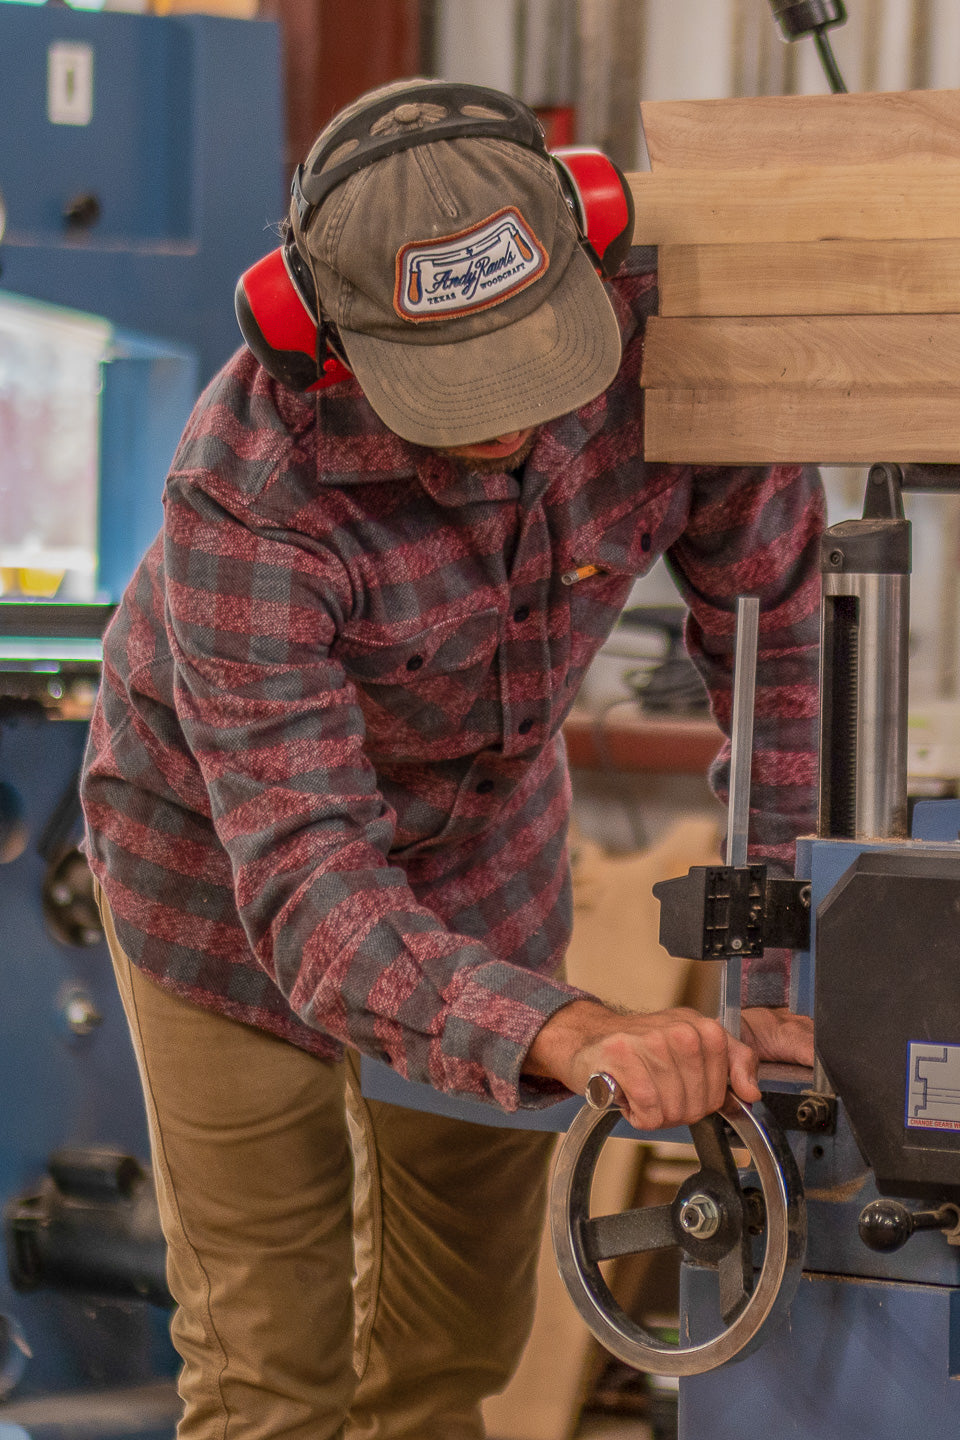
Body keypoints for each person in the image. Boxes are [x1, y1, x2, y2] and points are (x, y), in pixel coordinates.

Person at [80, 78, 821, 1440]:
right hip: (222, 882)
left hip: (485, 849)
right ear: (324, 339)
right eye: (457, 388)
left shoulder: (675, 339)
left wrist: (774, 974)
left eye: (535, 362)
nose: (513, 421)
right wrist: (574, 1031)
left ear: (586, 246)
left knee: (458, 1339)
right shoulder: (248, 495)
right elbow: (311, 888)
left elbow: (783, 664)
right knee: (273, 1366)